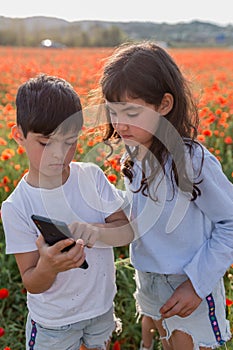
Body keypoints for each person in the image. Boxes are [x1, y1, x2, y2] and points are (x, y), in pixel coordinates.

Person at [97, 41, 233, 350]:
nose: (119, 124)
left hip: (190, 284)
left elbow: (231, 223)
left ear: (164, 105)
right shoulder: (133, 156)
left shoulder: (193, 161)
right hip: (148, 281)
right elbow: (141, 217)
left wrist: (196, 286)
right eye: (113, 112)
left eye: (131, 112)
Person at [1, 74, 134, 350]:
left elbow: (127, 232)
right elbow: (32, 282)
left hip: (100, 311)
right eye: (46, 142)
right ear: (19, 136)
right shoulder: (17, 206)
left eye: (70, 141)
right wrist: (49, 266)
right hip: (54, 324)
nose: (59, 154)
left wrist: (96, 232)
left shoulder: (91, 178)